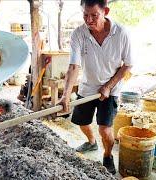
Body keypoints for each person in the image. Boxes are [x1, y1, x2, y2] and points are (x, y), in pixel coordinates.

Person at [59, 0, 133, 175]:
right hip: (88, 87)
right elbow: (73, 66)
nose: (89, 20)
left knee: (105, 130)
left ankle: (107, 156)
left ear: (105, 11)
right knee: (81, 122)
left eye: (94, 15)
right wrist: (66, 95)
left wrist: (108, 86)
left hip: (111, 88)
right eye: (85, 15)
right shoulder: (79, 34)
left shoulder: (121, 33)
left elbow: (128, 65)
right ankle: (91, 142)